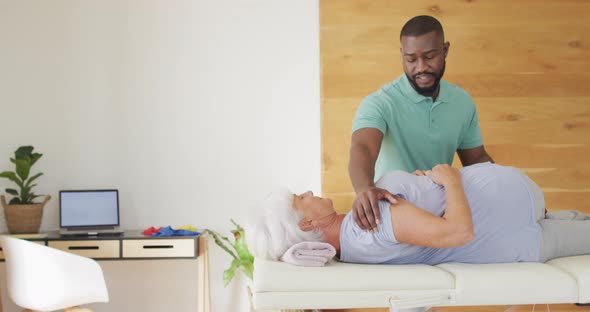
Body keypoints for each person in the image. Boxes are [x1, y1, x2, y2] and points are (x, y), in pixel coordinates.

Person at [247, 163, 590, 265]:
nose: (308, 192)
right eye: (299, 198)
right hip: (523, 234)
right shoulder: (370, 227)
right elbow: (458, 233)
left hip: (522, 219)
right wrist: (452, 180)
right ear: (307, 222)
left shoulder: (360, 223)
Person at [349, 15, 494, 233]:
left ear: (445, 50)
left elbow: (478, 160)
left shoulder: (462, 102)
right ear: (402, 55)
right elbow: (363, 148)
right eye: (411, 59)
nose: (421, 67)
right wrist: (364, 189)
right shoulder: (380, 102)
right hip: (393, 214)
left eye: (430, 56)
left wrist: (510, 190)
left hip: (441, 213)